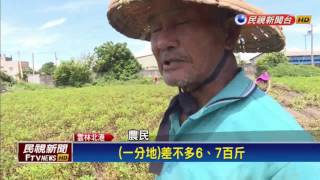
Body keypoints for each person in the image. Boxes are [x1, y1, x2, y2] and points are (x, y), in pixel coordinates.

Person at [107, 0, 319, 179]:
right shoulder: (179, 112)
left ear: (229, 35)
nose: (162, 42)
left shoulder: (287, 150)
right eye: (155, 29)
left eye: (181, 22)